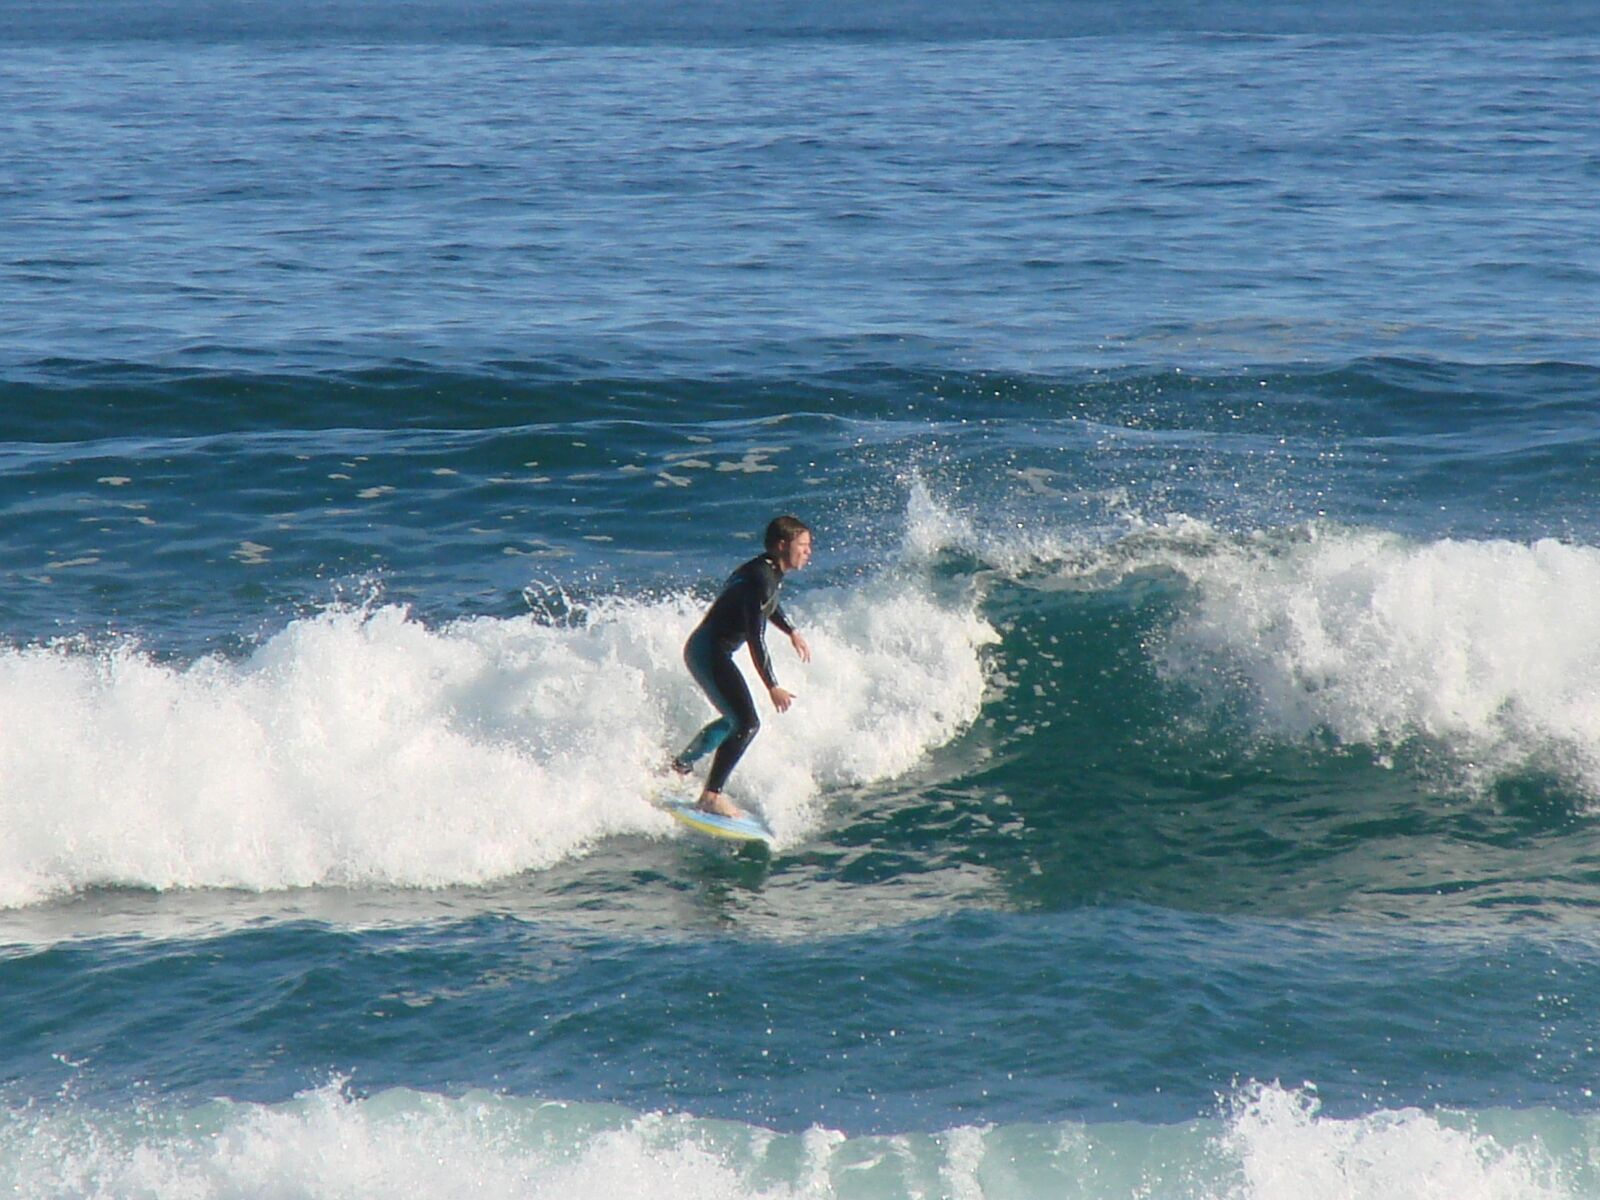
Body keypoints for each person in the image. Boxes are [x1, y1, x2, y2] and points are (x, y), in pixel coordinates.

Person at [671, 515, 813, 817]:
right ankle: (711, 795)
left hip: (705, 649)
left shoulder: (766, 572)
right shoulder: (760, 578)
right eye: (802, 545)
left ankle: (679, 766)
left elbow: (768, 605)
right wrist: (772, 685)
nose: (808, 551)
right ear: (781, 545)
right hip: (709, 652)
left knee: (733, 719)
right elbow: (755, 636)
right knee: (747, 723)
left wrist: (792, 631)